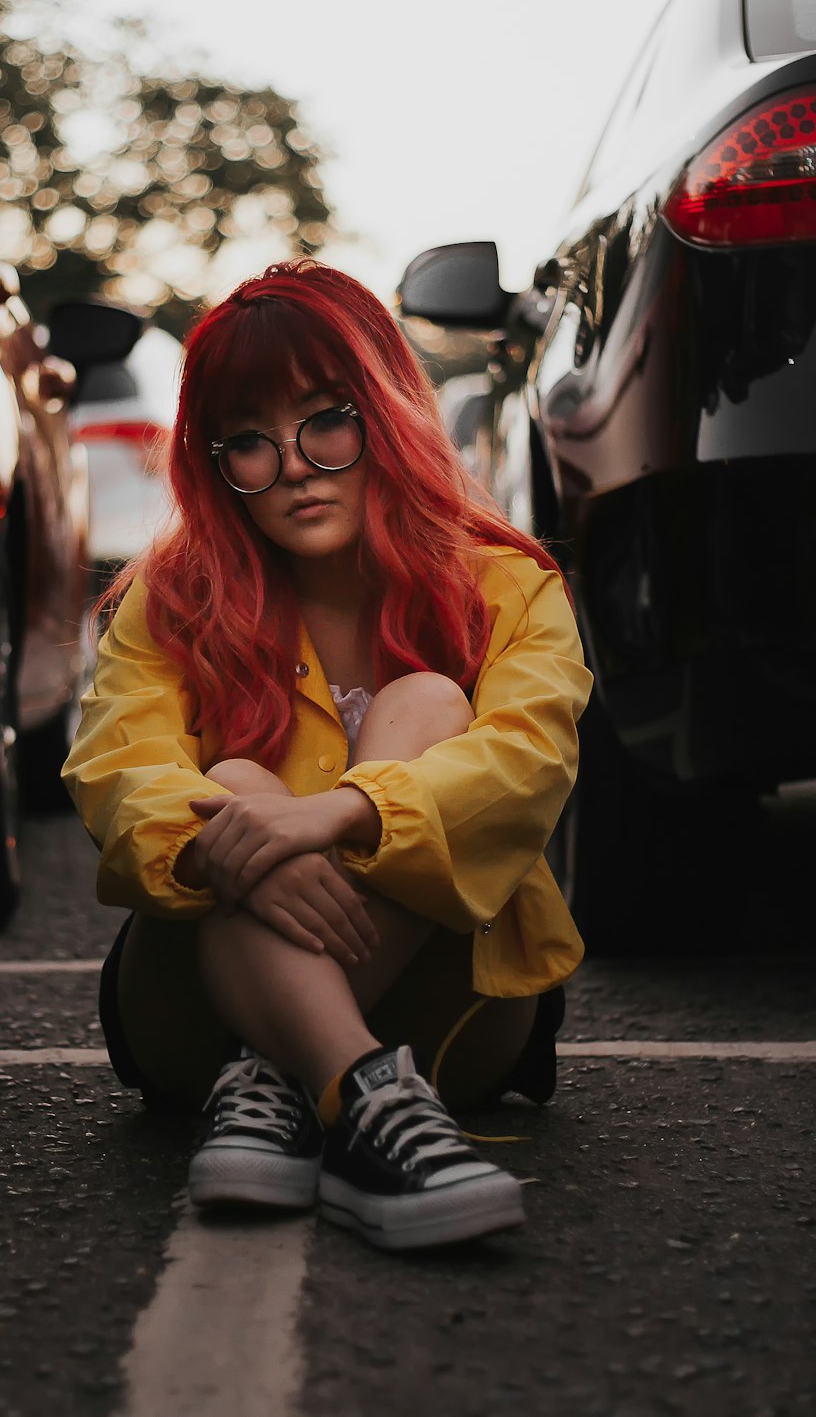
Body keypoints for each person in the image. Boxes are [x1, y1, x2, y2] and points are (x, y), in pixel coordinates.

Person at [62, 260, 593, 1253]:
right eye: (248, 442)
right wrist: (239, 831)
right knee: (227, 789)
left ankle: (277, 1085)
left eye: (325, 420)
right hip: (190, 1018)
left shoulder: (506, 586)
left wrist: (337, 813)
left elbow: (527, 766)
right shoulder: (175, 597)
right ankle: (367, 1102)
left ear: (384, 414)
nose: (294, 464)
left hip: (451, 1017)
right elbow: (117, 771)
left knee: (427, 702)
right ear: (213, 462)